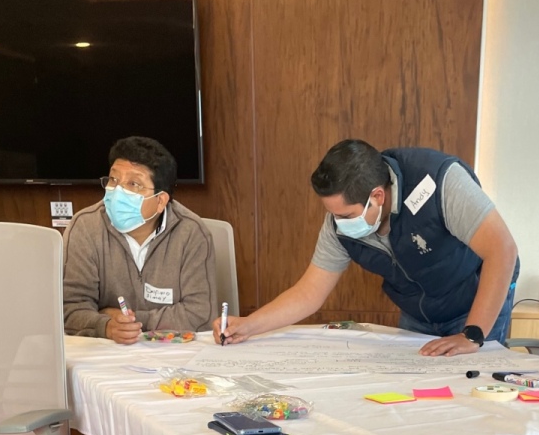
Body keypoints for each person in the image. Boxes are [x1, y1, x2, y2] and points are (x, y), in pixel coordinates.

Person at [214, 139, 519, 356]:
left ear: (378, 196)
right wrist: (249, 325)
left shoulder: (440, 181)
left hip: (475, 302)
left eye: (346, 215)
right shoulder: (340, 223)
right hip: (418, 311)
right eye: (332, 214)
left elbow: (502, 250)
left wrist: (472, 334)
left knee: (472, 392)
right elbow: (309, 293)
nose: (337, 223)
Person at [63, 136, 217, 435]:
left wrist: (133, 322)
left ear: (160, 199)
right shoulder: (85, 227)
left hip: (181, 360)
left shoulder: (192, 233)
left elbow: (198, 312)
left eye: (133, 184)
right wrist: (104, 325)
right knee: (110, 421)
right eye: (113, 180)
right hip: (111, 360)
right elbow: (69, 308)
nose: (117, 192)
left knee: (200, 416)